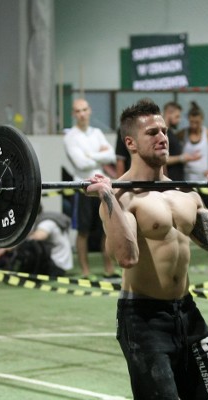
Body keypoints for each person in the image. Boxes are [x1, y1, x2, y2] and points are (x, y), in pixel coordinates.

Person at [86, 99, 208, 398]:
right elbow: (127, 257)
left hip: (187, 311)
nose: (162, 138)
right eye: (152, 132)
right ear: (130, 142)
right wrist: (107, 196)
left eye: (164, 131)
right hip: (143, 319)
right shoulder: (122, 197)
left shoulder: (186, 193)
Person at [63, 98, 117, 278]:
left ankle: (109, 269)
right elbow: (81, 163)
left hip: (102, 186)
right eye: (78, 111)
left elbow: (110, 156)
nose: (82, 114)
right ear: (73, 114)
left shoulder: (97, 133)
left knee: (106, 229)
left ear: (90, 110)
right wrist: (99, 155)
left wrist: (91, 155)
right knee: (83, 231)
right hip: (83, 188)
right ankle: (85, 271)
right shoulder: (70, 137)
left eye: (84, 109)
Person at [0, 207, 73, 275]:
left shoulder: (46, 221)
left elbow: (38, 236)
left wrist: (7, 248)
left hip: (56, 266)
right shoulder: (34, 222)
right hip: (49, 262)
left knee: (29, 245)